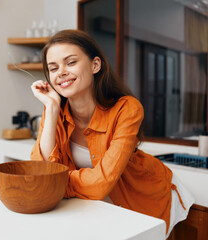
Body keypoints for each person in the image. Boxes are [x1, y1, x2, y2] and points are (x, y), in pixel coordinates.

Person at [30, 29, 194, 237]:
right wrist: (51, 109)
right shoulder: (53, 108)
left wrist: (56, 183)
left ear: (95, 65)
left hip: (143, 196)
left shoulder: (127, 109)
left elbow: (99, 184)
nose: (60, 72)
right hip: (94, 203)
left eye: (70, 62)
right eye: (53, 68)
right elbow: (41, 170)